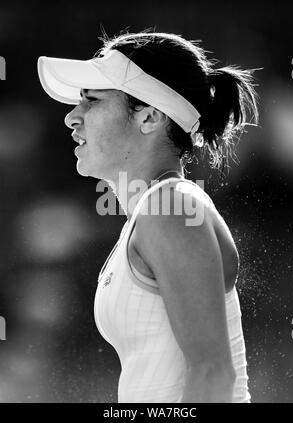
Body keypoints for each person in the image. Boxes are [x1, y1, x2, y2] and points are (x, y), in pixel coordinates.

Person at [37, 30, 258, 403]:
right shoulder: (157, 210)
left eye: (91, 101)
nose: (72, 118)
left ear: (150, 117)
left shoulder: (168, 208)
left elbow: (214, 374)